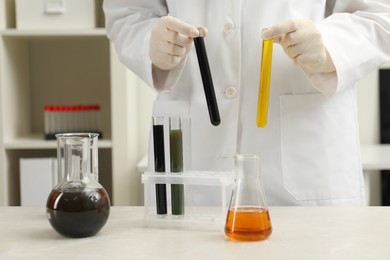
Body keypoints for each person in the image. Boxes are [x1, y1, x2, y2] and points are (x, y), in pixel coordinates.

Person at [103, 0, 390, 206]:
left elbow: (380, 13)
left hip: (305, 161)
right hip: (196, 165)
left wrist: (328, 45)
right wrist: (151, 42)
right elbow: (127, 13)